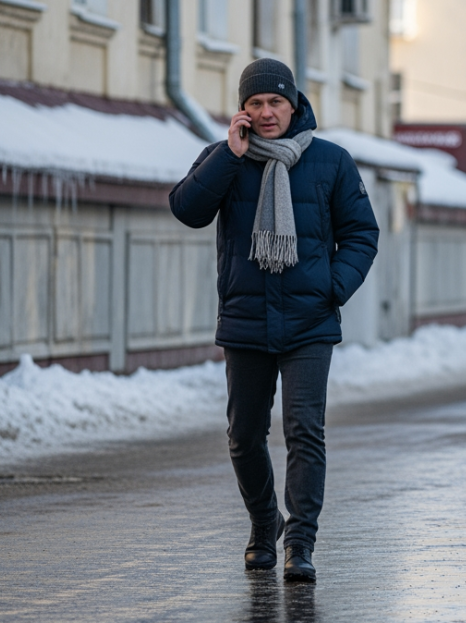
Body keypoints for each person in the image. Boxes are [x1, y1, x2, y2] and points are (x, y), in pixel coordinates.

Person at [169, 58, 380, 582]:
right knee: (244, 433)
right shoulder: (225, 158)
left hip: (309, 322)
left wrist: (332, 287)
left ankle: (300, 542)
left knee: (304, 430)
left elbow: (361, 233)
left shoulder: (330, 161)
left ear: (294, 105)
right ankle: (265, 524)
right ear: (243, 109)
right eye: (256, 104)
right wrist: (228, 156)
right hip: (245, 318)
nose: (266, 113)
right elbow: (186, 209)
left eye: (275, 103)